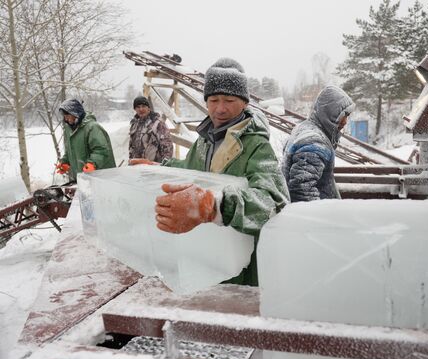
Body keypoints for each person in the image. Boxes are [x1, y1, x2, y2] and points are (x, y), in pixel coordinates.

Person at [131, 58, 289, 286]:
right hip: (205, 258)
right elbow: (189, 170)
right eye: (213, 100)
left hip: (241, 264)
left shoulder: (256, 146)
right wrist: (160, 168)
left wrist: (214, 205)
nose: (220, 108)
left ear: (244, 103)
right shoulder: (204, 142)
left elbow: (274, 201)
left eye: (229, 100)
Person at [281, 86, 355, 202]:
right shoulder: (315, 142)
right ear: (330, 112)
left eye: (347, 115)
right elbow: (302, 191)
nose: (345, 121)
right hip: (316, 216)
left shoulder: (305, 129)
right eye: (342, 114)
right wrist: (318, 218)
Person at [56, 99, 116, 182]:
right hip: (82, 179)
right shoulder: (70, 129)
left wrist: (93, 163)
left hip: (99, 178)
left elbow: (101, 150)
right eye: (64, 116)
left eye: (67, 115)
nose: (66, 119)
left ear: (76, 114)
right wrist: (66, 161)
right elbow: (71, 150)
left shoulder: (92, 127)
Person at [129, 96, 173, 163]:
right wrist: (131, 161)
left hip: (154, 166)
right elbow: (132, 147)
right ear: (135, 109)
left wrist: (166, 162)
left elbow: (167, 145)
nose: (141, 109)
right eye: (138, 107)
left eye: (143, 106)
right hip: (137, 166)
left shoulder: (158, 123)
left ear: (148, 108)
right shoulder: (134, 125)